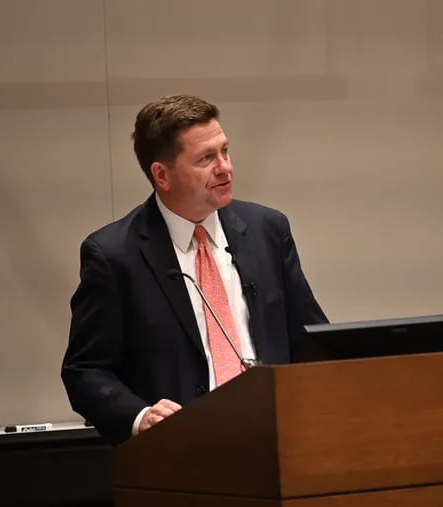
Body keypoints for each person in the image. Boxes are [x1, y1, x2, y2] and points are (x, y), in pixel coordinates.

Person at [61, 94, 327, 444]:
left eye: (225, 151)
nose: (225, 167)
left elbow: (311, 340)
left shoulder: (267, 231)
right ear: (162, 175)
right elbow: (85, 371)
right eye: (206, 158)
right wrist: (140, 416)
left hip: (275, 441)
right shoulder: (114, 255)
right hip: (180, 451)